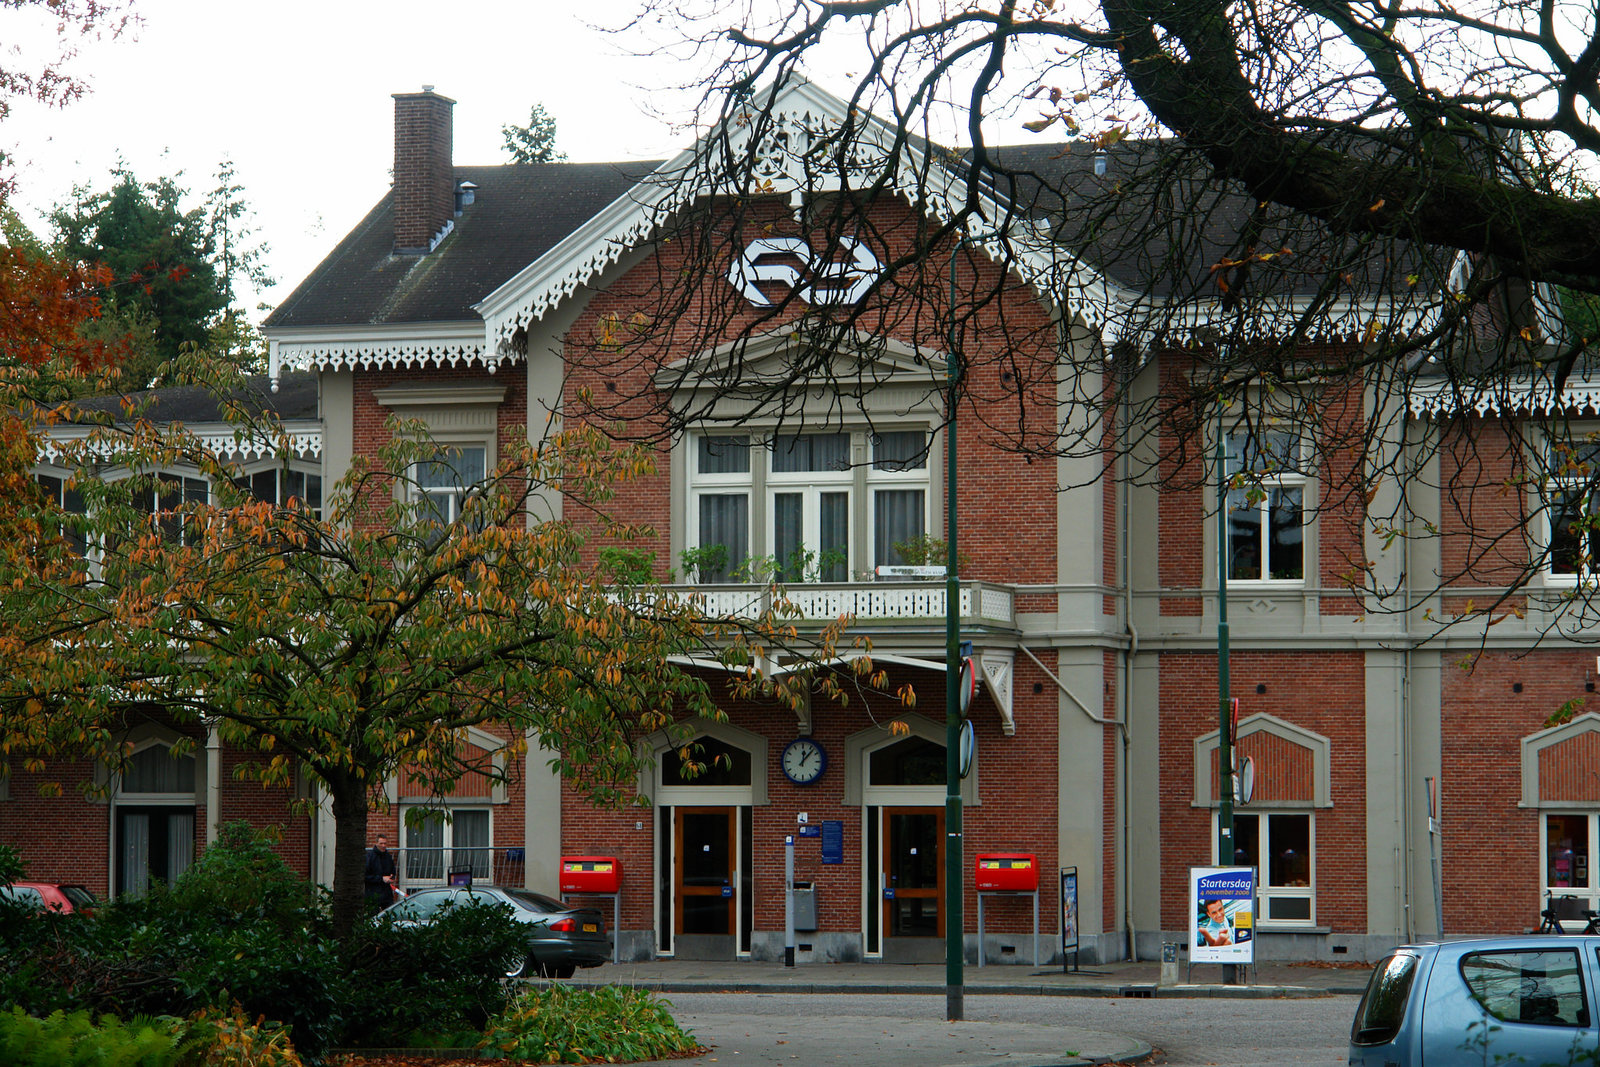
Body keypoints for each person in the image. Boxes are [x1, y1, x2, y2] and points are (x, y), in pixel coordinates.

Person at [365, 833, 397, 908]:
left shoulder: (388, 857)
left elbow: (393, 870)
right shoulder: (369, 857)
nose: (383, 846)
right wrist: (381, 878)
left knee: (390, 913)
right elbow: (365, 876)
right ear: (376, 843)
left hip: (386, 892)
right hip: (373, 892)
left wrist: (392, 876)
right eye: (381, 843)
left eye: (385, 843)